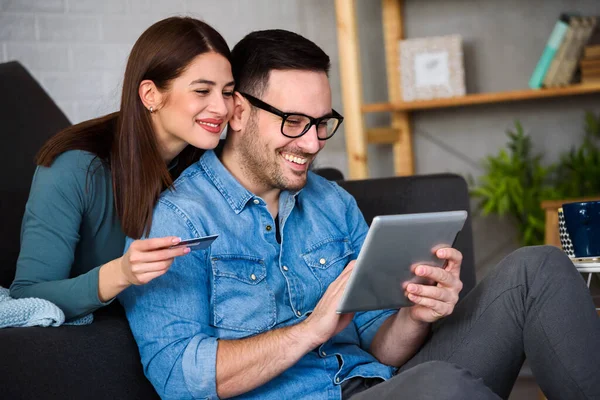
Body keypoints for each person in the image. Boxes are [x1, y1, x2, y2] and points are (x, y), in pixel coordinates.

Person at [118, 29, 600, 400]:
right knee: (441, 387)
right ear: (239, 112)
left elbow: (381, 345)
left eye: (322, 123)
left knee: (536, 269)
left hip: (384, 385)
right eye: (293, 122)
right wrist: (309, 330)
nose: (312, 143)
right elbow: (177, 376)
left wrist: (415, 312)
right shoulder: (178, 219)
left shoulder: (331, 203)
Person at [9, 17, 235, 321]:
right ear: (150, 95)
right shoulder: (73, 167)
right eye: (202, 91)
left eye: (228, 92)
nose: (221, 109)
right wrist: (122, 272)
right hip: (93, 340)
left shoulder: (213, 162)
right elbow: (28, 295)